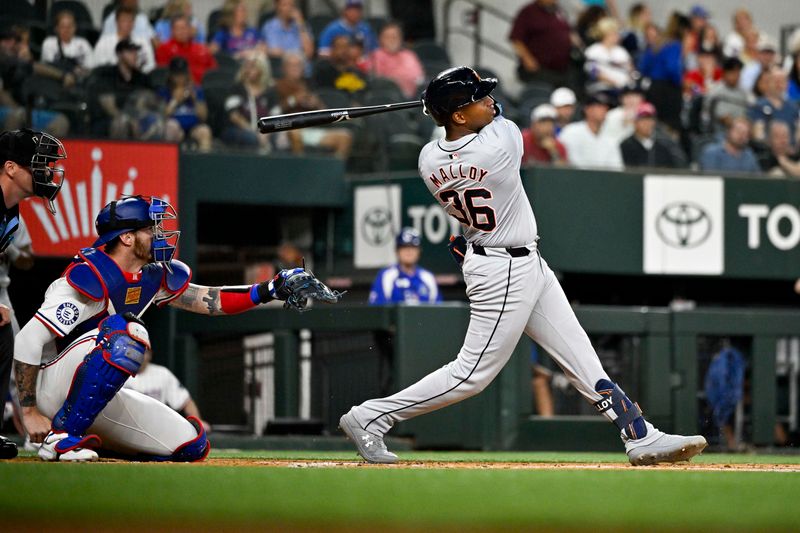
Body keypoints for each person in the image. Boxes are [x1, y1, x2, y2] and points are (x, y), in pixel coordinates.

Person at [338, 66, 708, 465]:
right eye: (477, 98)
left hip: (515, 259)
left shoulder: (428, 158)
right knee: (470, 375)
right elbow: (504, 117)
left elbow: (470, 125)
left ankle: (639, 434)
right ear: (459, 115)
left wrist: (443, 109)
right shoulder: (499, 145)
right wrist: (446, 106)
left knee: (581, 356)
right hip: (503, 270)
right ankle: (369, 416)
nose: (489, 101)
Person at [13, 195, 341, 462]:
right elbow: (27, 340)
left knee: (191, 444)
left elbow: (209, 300)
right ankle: (61, 438)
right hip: (54, 387)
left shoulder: (151, 277)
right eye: (149, 229)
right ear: (126, 237)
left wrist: (270, 289)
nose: (159, 234)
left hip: (98, 395)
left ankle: (90, 440)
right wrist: (28, 412)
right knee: (127, 333)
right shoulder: (88, 275)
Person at [0, 128, 67, 460]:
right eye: (36, 166)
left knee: (4, 340)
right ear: (11, 167)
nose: (45, 173)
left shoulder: (10, 211)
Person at [272, 53, 353, 158]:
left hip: (311, 128)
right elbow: (273, 111)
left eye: (298, 65)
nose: (295, 68)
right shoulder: (277, 86)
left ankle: (332, 172)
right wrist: (293, 100)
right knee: (294, 131)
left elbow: (324, 113)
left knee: (345, 137)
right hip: (286, 130)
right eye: (291, 65)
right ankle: (301, 170)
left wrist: (317, 104)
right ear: (284, 68)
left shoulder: (309, 85)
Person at [122, 349, 210, 433]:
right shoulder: (119, 373)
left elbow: (186, 401)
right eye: (136, 351)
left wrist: (198, 422)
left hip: (157, 428)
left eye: (143, 351)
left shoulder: (162, 373)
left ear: (150, 354)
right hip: (126, 426)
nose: (139, 355)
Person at [90, 39, 156, 139]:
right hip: (111, 119)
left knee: (156, 123)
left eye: (135, 52)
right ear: (119, 54)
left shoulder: (142, 78)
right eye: (130, 52)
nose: (134, 55)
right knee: (121, 123)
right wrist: (129, 119)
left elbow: (150, 100)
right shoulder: (107, 75)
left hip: (138, 117)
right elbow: (108, 105)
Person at [508, 0, 574, 88]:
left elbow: (567, 30)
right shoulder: (528, 11)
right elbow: (516, 38)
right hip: (539, 70)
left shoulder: (558, 11)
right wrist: (527, 59)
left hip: (562, 70)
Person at [368, 228, 441, 305]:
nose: (409, 251)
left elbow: (438, 312)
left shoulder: (427, 278)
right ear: (397, 251)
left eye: (413, 247)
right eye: (404, 247)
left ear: (419, 251)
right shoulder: (387, 276)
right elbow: (377, 310)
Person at [158, 56, 212, 152]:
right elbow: (161, 116)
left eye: (182, 74)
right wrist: (175, 101)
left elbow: (204, 117)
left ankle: (203, 165)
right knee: (171, 127)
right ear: (170, 75)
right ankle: (168, 162)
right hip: (175, 127)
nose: (180, 78)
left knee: (205, 131)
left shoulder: (196, 90)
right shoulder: (164, 91)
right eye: (177, 75)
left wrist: (195, 99)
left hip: (193, 127)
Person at [558, 92, 623, 169]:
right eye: (599, 106)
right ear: (587, 109)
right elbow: (571, 162)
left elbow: (617, 168)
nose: (604, 110)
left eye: (606, 108)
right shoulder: (571, 131)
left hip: (604, 179)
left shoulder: (610, 138)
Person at [222, 54, 274, 150]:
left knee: (278, 138)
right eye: (246, 66)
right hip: (239, 129)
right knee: (252, 138)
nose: (248, 70)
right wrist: (253, 131)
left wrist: (266, 132)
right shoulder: (237, 89)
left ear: (262, 70)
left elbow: (275, 114)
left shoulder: (269, 92)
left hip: (265, 131)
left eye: (253, 67)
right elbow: (233, 115)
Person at [364, 22, 425, 99]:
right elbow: (377, 82)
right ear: (380, 39)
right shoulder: (374, 56)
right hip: (387, 101)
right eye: (388, 37)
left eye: (395, 36)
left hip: (412, 100)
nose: (392, 40)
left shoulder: (409, 55)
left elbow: (420, 78)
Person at [155, 15, 217, 85]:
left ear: (190, 29)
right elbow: (163, 75)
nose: (182, 31)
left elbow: (213, 72)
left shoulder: (202, 48)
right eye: (178, 29)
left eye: (185, 28)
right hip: (179, 89)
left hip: (205, 87)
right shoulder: (164, 48)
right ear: (172, 31)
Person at [620, 102, 684, 168]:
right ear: (635, 122)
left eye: (650, 119)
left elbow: (679, 164)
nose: (647, 123)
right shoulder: (626, 144)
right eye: (642, 119)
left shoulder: (665, 143)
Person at [93, 6, 156, 74]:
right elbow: (97, 67)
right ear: (117, 22)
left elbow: (150, 66)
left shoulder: (143, 42)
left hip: (139, 80)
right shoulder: (104, 43)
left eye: (131, 21)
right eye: (124, 20)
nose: (128, 24)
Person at [583, 17, 634, 99]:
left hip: (624, 89)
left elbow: (630, 69)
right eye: (615, 33)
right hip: (602, 89)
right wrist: (614, 83)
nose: (618, 36)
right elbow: (593, 71)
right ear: (606, 34)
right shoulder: (593, 51)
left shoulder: (622, 51)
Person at [748, 68, 799, 143]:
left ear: (787, 84)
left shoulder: (793, 107)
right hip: (765, 151)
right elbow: (757, 135)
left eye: (782, 81)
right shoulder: (758, 106)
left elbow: (797, 135)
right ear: (768, 82)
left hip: (790, 152)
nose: (778, 84)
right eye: (775, 80)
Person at [40, 11, 93, 76]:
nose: (67, 30)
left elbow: (91, 67)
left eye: (70, 26)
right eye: (63, 27)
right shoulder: (49, 43)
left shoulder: (83, 43)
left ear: (75, 28)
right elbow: (51, 68)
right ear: (56, 28)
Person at [261, 0, 314, 65]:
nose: (289, 8)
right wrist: (294, 55)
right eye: (285, 5)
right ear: (277, 6)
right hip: (280, 67)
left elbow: (309, 53)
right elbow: (275, 52)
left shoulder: (302, 25)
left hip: (302, 67)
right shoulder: (270, 27)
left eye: (291, 5)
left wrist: (300, 25)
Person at [705, 57, 748, 133]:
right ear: (724, 73)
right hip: (717, 131)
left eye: (738, 72)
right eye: (732, 72)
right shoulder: (715, 91)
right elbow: (723, 118)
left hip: (739, 133)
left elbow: (744, 116)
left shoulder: (743, 93)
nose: (736, 76)